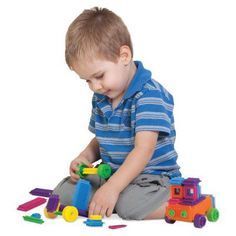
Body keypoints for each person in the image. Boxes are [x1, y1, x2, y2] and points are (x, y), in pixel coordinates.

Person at [53, 7, 181, 220]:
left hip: (151, 179)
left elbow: (144, 150)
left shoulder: (149, 96)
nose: (95, 86)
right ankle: (108, 199)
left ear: (124, 55)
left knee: (128, 207)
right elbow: (100, 139)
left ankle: (174, 201)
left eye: (99, 76)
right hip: (111, 174)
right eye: (87, 80)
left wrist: (112, 188)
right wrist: (85, 157)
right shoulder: (102, 96)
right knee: (64, 193)